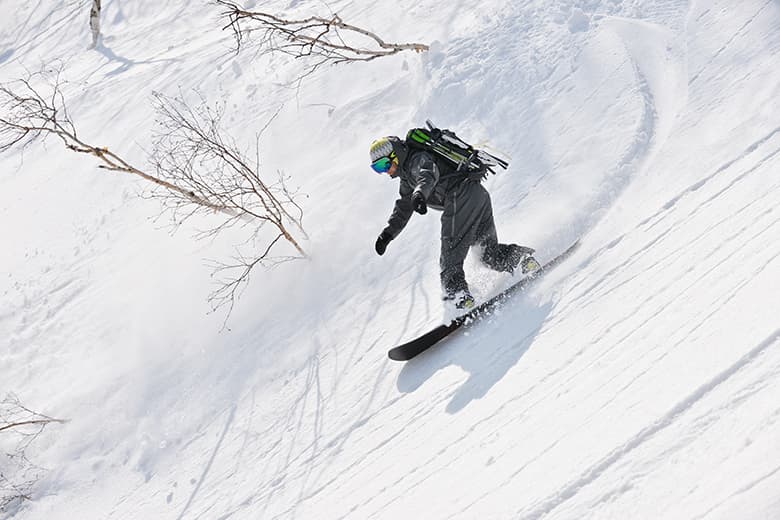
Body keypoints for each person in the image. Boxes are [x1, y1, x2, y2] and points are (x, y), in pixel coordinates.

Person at [370, 134, 537, 309]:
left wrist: (419, 194)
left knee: (450, 258)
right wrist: (388, 234)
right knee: (487, 253)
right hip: (477, 196)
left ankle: (458, 297)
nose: (385, 171)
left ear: (395, 154)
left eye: (384, 164)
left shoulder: (417, 159)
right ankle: (522, 260)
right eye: (378, 169)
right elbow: (403, 207)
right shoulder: (406, 178)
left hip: (460, 198)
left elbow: (427, 175)